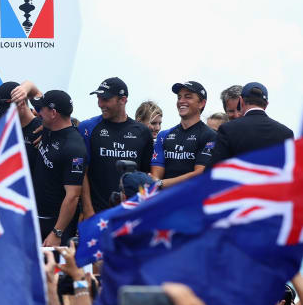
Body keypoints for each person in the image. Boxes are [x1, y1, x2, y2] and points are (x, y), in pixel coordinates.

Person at [77, 77, 153, 218]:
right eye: (98, 98)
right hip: (97, 214)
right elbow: (82, 172)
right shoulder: (87, 127)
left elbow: (145, 176)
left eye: (105, 99)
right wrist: (87, 211)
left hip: (130, 215)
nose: (100, 104)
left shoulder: (142, 132)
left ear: (122, 100)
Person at [25, 90, 86, 246]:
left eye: (41, 109)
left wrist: (57, 232)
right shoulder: (48, 129)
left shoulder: (74, 147)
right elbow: (33, 91)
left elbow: (72, 196)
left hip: (55, 226)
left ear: (53, 113)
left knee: (52, 270)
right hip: (35, 219)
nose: (38, 113)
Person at [151, 81, 217, 189]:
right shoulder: (163, 135)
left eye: (188, 97)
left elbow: (200, 174)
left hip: (192, 200)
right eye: (179, 97)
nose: (181, 101)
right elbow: (155, 176)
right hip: (166, 200)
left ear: (201, 103)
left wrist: (162, 184)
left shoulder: (210, 136)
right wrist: (157, 183)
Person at [210, 82, 294, 165]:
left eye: (238, 109)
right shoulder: (286, 134)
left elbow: (214, 171)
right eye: (231, 111)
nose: (236, 115)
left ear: (241, 101)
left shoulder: (226, 130)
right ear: (266, 104)